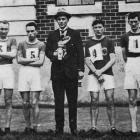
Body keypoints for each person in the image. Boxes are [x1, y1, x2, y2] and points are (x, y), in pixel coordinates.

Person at [45, 8, 84, 136]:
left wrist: (81, 70)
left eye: (63, 19)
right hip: (57, 73)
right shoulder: (52, 35)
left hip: (71, 73)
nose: (61, 21)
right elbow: (47, 51)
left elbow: (80, 53)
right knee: (58, 102)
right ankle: (59, 128)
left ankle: (73, 128)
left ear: (67, 20)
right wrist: (54, 54)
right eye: (59, 19)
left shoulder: (75, 34)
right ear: (57, 21)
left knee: (73, 102)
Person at [85, 19, 121, 136]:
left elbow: (113, 59)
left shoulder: (109, 41)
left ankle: (113, 128)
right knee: (94, 100)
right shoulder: (89, 42)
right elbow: (87, 60)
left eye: (100, 27)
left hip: (107, 74)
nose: (98, 29)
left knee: (110, 100)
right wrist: (96, 72)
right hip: (93, 74)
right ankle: (93, 128)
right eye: (95, 27)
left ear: (103, 28)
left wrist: (101, 71)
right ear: (93, 29)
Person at [17, 22, 45, 134]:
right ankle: (27, 126)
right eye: (28, 31)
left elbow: (41, 62)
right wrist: (33, 60)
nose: (30, 33)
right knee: (25, 102)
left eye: (32, 31)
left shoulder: (41, 44)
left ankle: (35, 127)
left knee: (34, 102)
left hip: (35, 73)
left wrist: (26, 61)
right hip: (23, 73)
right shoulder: (21, 44)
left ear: (36, 31)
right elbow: (19, 60)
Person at [120, 12, 140, 136]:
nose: (133, 24)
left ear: (139, 22)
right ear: (128, 22)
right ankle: (134, 128)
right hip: (131, 65)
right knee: (132, 98)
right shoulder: (124, 36)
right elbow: (124, 55)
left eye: (135, 21)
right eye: (131, 21)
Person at [0, 20, 17, 135]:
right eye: (1, 29)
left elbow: (13, 54)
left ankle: (7, 127)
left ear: (8, 29)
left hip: (8, 69)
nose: (3, 31)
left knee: (8, 100)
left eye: (5, 29)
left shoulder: (12, 40)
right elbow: (9, 54)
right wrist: (7, 54)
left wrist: (1, 54)